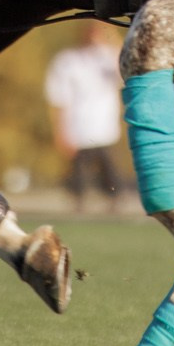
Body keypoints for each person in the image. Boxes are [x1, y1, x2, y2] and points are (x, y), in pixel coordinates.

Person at [45, 21, 126, 208]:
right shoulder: (68, 61)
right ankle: (78, 204)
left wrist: (112, 35)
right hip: (78, 126)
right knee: (79, 174)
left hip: (105, 126)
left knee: (109, 171)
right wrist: (60, 131)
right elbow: (58, 98)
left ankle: (115, 202)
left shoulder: (108, 58)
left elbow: (125, 67)